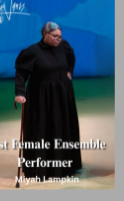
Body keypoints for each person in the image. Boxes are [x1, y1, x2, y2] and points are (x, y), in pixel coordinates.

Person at [14, 22, 81, 179]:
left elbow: (71, 56)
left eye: (60, 36)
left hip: (63, 94)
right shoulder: (32, 52)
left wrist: (69, 72)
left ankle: (65, 166)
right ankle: (42, 169)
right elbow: (21, 73)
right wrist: (19, 92)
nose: (59, 39)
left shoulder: (64, 46)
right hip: (41, 96)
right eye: (55, 36)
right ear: (45, 35)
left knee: (63, 127)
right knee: (43, 128)